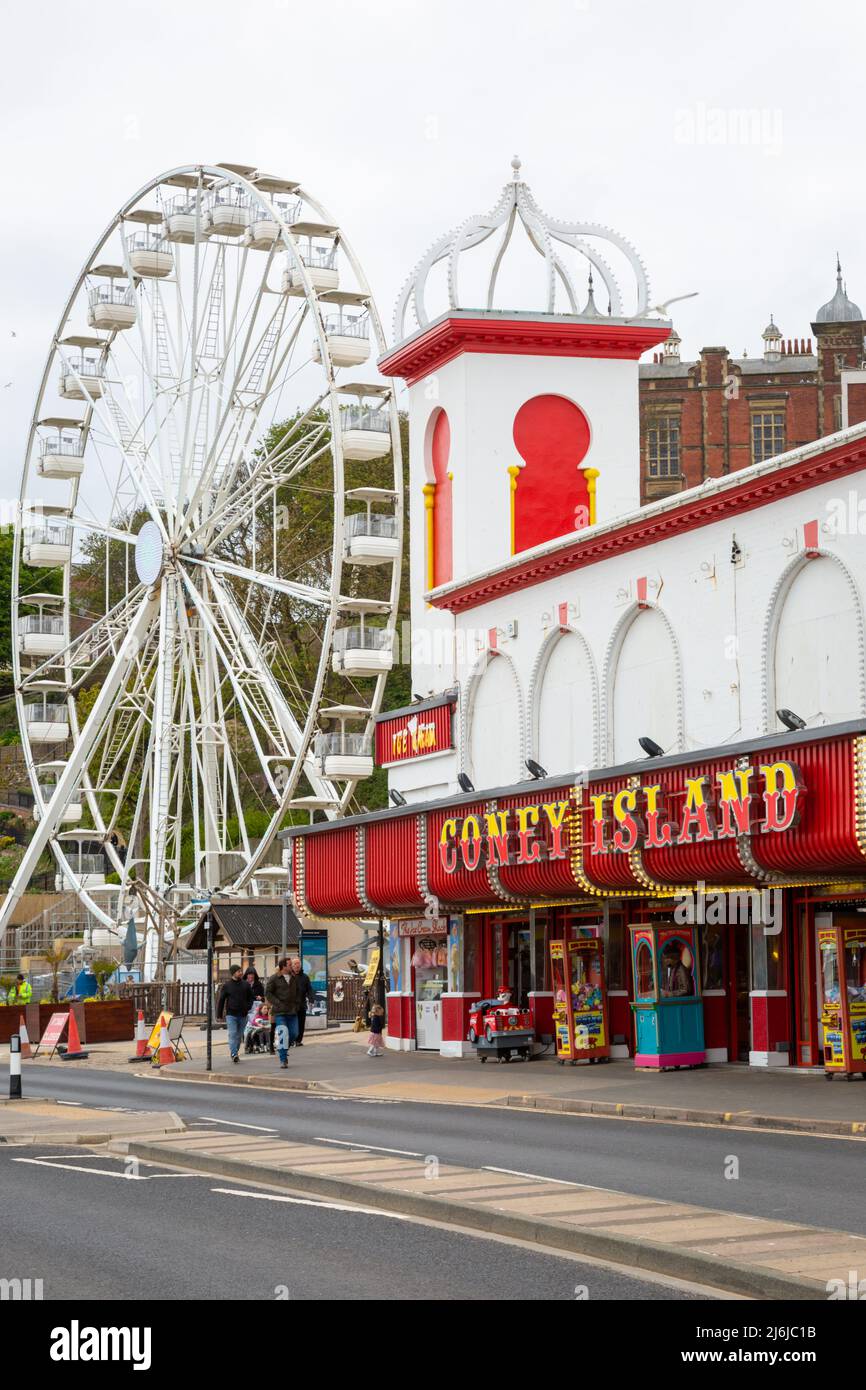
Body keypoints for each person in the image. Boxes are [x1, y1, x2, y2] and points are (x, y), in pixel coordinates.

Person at [265, 958, 302, 1068]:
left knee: (294, 1033)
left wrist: (298, 1004)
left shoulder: (294, 978)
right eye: (290, 965)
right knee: (282, 1034)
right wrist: (277, 1003)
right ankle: (283, 1059)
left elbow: (298, 992)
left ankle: (283, 1049)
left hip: (292, 1011)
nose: (292, 967)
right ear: (283, 967)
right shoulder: (274, 978)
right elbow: (268, 993)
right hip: (280, 1012)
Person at [216, 965, 254, 1064]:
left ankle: (235, 1052)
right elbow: (221, 1000)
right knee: (232, 1034)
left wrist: (248, 1007)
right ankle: (234, 1054)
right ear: (233, 973)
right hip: (231, 1014)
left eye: (241, 971)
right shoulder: (227, 985)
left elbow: (251, 997)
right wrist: (219, 1015)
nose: (240, 973)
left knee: (239, 1035)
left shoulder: (246, 985)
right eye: (238, 971)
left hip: (243, 1014)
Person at [290, 956, 316, 1046]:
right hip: (291, 1005)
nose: (297, 966)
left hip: (301, 1004)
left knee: (301, 1023)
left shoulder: (305, 977)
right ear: (292, 966)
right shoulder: (289, 976)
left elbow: (309, 989)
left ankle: (298, 1040)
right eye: (295, 964)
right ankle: (292, 1039)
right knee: (293, 1024)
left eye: (298, 964)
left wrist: (311, 999)